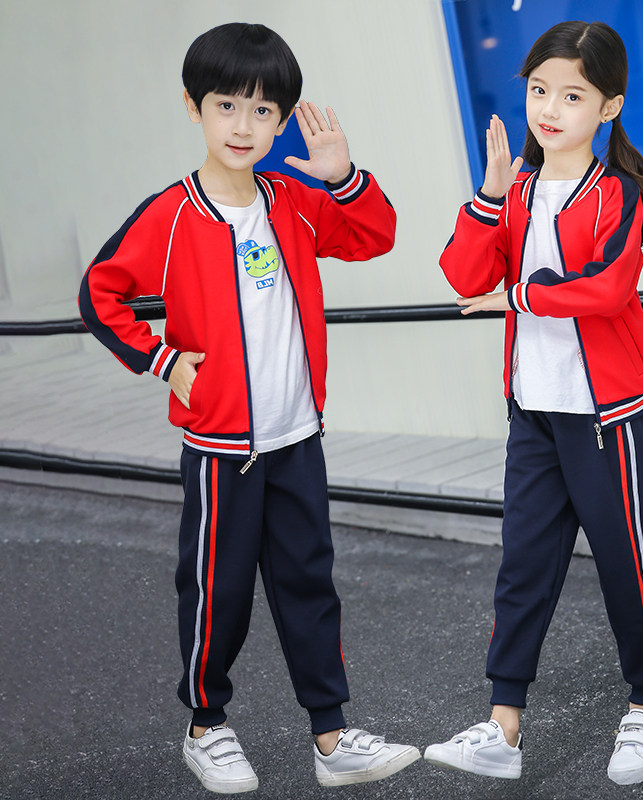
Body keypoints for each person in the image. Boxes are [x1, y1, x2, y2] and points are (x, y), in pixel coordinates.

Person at [79, 22, 419, 794]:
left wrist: (343, 177)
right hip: (220, 448)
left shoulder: (295, 202)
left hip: (298, 439)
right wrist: (163, 360)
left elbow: (376, 236)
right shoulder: (170, 215)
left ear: (282, 120)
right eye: (226, 105)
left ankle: (331, 738)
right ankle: (206, 726)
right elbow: (101, 293)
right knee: (218, 589)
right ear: (193, 107)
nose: (243, 125)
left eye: (263, 111)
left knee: (310, 585)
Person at [424, 20, 643, 786]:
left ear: (609, 106)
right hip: (532, 413)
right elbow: (464, 278)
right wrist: (489, 195)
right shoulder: (520, 193)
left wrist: (520, 296)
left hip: (605, 418)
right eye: (539, 90)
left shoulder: (615, 194)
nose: (551, 109)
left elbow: (606, 289)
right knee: (523, 566)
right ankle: (503, 727)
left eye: (572, 95)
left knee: (627, 565)